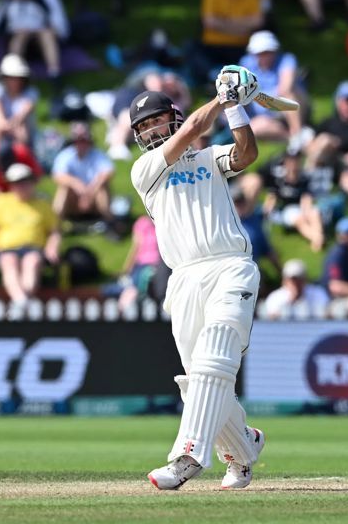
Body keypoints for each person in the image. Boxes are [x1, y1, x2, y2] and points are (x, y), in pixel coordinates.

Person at [128, 64, 265, 490]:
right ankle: (243, 447)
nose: (151, 131)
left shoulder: (209, 159)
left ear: (170, 115)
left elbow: (246, 155)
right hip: (184, 278)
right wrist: (223, 98)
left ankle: (187, 457)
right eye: (143, 127)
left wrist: (237, 111)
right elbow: (190, 130)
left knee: (216, 355)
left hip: (230, 265)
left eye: (155, 120)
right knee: (200, 381)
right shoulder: (146, 170)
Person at [0, 163, 61, 306]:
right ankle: (22, 301)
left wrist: (52, 247)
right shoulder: (0, 201)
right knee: (8, 262)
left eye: (25, 182)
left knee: (32, 262)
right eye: (17, 183)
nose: (21, 186)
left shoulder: (43, 204)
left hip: (34, 248)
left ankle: (21, 302)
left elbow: (54, 232)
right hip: (6, 249)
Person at [188, 0, 264, 85]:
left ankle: (223, 78)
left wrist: (222, 23)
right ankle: (214, 77)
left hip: (240, 47)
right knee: (191, 48)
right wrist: (241, 25)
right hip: (213, 46)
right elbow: (209, 22)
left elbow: (257, 22)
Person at [238, 30, 310, 143]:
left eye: (267, 52)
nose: (264, 56)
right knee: (253, 128)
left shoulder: (287, 59)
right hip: (265, 115)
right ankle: (293, 140)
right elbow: (242, 92)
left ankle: (297, 132)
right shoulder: (246, 63)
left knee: (289, 95)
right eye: (260, 53)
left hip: (288, 106)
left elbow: (285, 88)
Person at [51, 121, 116, 227]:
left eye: (84, 140)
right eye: (78, 140)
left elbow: (108, 172)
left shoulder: (97, 154)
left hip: (93, 199)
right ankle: (54, 224)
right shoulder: (65, 155)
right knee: (64, 188)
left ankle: (110, 222)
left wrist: (90, 191)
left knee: (102, 189)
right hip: (74, 201)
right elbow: (57, 176)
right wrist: (75, 183)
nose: (81, 144)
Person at [0, 53, 40, 152]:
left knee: (22, 131)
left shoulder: (31, 93)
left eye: (18, 77)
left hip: (20, 129)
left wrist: (13, 126)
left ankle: (20, 158)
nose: (15, 81)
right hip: (1, 128)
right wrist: (6, 125)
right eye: (11, 77)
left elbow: (23, 114)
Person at [263, 258, 329, 319]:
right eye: (292, 280)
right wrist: (291, 300)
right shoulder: (275, 297)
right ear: (285, 281)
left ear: (305, 279)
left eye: (299, 279)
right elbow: (272, 319)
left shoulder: (318, 293)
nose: (296, 283)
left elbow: (325, 315)